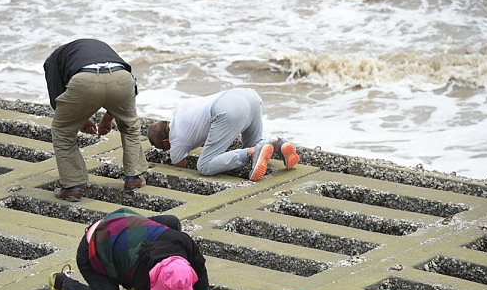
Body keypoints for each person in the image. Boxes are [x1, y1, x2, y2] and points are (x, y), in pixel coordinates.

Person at [48, 207, 221, 290]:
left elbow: (200, 267)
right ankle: (62, 282)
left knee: (172, 222)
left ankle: (126, 271)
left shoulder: (185, 243)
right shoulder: (143, 273)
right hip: (92, 248)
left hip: (122, 225)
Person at [44, 39, 148, 201]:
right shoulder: (100, 47)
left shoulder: (53, 60)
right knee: (130, 127)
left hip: (85, 80)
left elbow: (57, 101)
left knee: (62, 132)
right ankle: (133, 178)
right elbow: (119, 84)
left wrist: (79, 119)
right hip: (122, 77)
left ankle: (72, 186)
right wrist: (108, 117)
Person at [147, 88, 299, 182]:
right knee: (256, 143)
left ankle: (253, 152)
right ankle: (277, 143)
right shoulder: (180, 108)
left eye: (164, 148)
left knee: (204, 166)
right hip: (249, 96)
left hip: (227, 109)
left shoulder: (176, 141)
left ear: (166, 142)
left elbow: (179, 170)